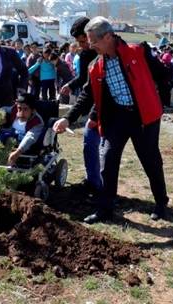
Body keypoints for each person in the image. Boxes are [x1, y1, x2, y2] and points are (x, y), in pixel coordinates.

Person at [53, 17, 171, 223]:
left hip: (144, 118)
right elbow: (87, 96)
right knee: (107, 160)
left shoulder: (138, 52)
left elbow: (163, 74)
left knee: (150, 160)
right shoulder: (95, 66)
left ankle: (161, 202)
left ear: (108, 37)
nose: (90, 46)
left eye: (93, 41)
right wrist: (68, 119)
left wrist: (157, 101)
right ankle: (105, 209)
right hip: (116, 118)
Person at [59, 16, 103, 194]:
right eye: (79, 42)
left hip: (115, 107)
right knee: (91, 140)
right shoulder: (85, 56)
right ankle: (94, 182)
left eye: (84, 41)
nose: (83, 45)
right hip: (96, 102)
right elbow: (86, 82)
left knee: (98, 143)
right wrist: (71, 85)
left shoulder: (106, 51)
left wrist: (92, 115)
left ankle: (101, 186)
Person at [0, 94, 45, 166]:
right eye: (19, 108)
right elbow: (3, 109)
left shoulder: (37, 122)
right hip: (11, 138)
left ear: (33, 110)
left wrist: (17, 152)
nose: (21, 113)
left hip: (26, 144)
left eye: (25, 109)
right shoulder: (13, 111)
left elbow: (30, 137)